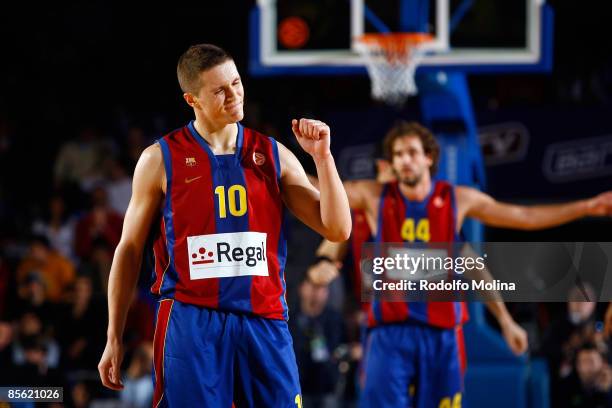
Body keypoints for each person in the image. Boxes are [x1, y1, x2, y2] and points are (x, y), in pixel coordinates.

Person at [98, 43, 351, 407]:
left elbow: (338, 229)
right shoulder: (159, 159)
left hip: (263, 319)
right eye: (219, 90)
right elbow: (130, 249)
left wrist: (323, 158)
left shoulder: (274, 155)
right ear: (192, 100)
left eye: (236, 83)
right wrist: (114, 335)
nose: (234, 96)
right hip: (191, 321)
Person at [312, 121, 612, 408]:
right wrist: (303, 160)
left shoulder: (455, 201)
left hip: (442, 335)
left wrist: (586, 207)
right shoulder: (373, 199)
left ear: (428, 157)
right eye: (398, 155)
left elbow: (523, 219)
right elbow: (321, 196)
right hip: (389, 334)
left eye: (412, 152)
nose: (404, 160)